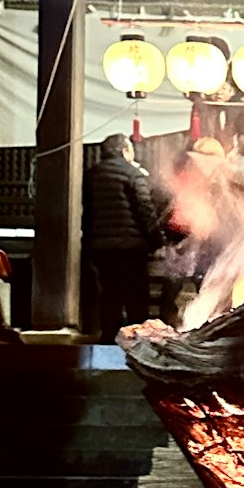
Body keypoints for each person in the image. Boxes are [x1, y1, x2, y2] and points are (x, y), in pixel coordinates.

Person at [82, 133, 163, 342]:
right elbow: (144, 209)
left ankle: (109, 338)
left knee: (110, 294)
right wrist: (156, 240)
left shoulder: (91, 175)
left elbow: (87, 212)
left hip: (100, 248)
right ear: (125, 151)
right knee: (136, 295)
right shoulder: (132, 174)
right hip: (131, 247)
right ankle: (136, 339)